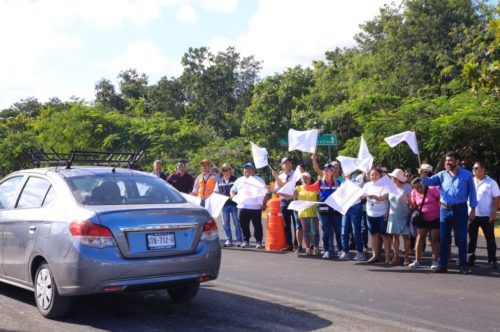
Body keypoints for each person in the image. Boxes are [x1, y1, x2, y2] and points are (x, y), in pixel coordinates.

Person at [422, 151, 477, 274]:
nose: (447, 162)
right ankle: (443, 265)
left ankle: (462, 265)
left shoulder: (467, 175)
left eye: (450, 160)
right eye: (446, 160)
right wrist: (422, 176)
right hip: (445, 209)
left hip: (461, 209)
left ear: (457, 161)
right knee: (444, 238)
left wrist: (473, 209)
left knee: (461, 238)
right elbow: (429, 182)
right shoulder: (441, 175)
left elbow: (472, 193)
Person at [307, 153, 343, 259]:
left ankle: (340, 250)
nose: (326, 172)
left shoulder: (338, 184)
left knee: (337, 230)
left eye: (328, 170)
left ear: (332, 172)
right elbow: (310, 188)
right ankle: (326, 250)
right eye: (325, 170)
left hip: (335, 209)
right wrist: (302, 186)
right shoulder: (320, 182)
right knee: (325, 231)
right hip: (323, 209)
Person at [468, 161, 499, 269]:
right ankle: (470, 257)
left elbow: (496, 198)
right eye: (473, 168)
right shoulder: (470, 181)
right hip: (472, 215)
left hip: (487, 216)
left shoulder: (491, 182)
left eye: (476, 168)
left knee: (490, 239)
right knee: (472, 238)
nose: (474, 169)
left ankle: (492, 259)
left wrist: (494, 213)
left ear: (483, 169)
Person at [230, 163, 269, 249]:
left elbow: (266, 193)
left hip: (256, 207)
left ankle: (259, 241)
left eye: (249, 169)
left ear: (253, 170)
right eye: (245, 169)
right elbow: (232, 190)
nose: (246, 170)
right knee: (243, 225)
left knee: (257, 225)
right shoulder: (239, 180)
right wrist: (233, 196)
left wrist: (264, 204)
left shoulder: (259, 180)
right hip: (242, 206)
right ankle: (246, 240)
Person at [282, 173, 320, 255]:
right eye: (304, 178)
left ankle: (316, 247)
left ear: (310, 179)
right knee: (306, 230)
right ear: (301, 179)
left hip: (313, 212)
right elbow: (293, 199)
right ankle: (308, 248)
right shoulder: (298, 188)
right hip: (303, 213)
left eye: (307, 178)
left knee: (315, 231)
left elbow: (319, 196)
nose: (306, 179)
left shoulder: (314, 187)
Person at [408, 177, 441, 270]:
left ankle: (435, 261)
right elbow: (414, 207)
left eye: (420, 187)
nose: (418, 189)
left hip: (435, 218)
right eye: (416, 188)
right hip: (422, 218)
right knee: (419, 238)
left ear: (424, 185)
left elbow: (440, 202)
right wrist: (410, 202)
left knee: (434, 240)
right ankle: (417, 261)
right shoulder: (414, 192)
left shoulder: (433, 189)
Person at [362, 167, 391, 264]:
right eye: (371, 175)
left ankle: (387, 257)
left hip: (382, 213)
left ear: (380, 175)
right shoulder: (367, 185)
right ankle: (375, 256)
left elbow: (384, 197)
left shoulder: (385, 185)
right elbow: (362, 196)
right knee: (373, 235)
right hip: (370, 213)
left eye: (375, 174)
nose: (373, 176)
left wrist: (375, 197)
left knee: (385, 236)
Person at [386, 169, 412, 266]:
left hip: (405, 215)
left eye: (393, 177)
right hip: (393, 215)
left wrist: (409, 202)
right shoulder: (391, 187)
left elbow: (412, 201)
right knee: (395, 236)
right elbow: (389, 201)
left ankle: (406, 257)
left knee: (406, 236)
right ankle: (396, 256)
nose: (391, 178)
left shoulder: (407, 187)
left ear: (398, 179)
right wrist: (387, 212)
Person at [339, 173, 366, 261]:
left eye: (347, 172)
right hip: (346, 208)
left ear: (351, 173)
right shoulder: (342, 182)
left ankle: (360, 252)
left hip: (355, 207)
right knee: (344, 230)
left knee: (356, 231)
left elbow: (361, 195)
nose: (345, 174)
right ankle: (345, 252)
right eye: (344, 173)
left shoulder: (356, 182)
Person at [272, 157, 297, 251]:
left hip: (294, 201)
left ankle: (297, 244)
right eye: (285, 163)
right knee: (286, 224)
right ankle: (289, 244)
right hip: (284, 202)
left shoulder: (296, 174)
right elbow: (277, 189)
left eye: (289, 162)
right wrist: (273, 190)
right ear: (282, 166)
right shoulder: (280, 176)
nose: (287, 164)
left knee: (296, 224)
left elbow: (295, 187)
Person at [214, 163, 242, 248]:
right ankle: (229, 240)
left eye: (228, 170)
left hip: (234, 205)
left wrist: (234, 196)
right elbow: (215, 192)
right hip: (224, 205)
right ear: (222, 172)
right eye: (224, 170)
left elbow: (240, 191)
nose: (226, 172)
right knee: (225, 224)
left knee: (236, 223)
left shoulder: (236, 180)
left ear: (230, 170)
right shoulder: (219, 181)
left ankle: (239, 240)